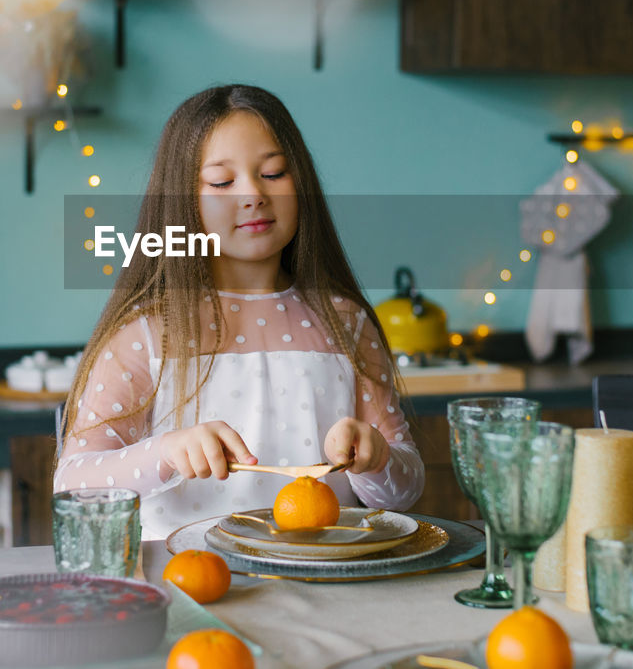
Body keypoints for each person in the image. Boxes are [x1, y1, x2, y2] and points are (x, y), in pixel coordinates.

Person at [54, 84, 424, 539]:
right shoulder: (147, 332)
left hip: (328, 593)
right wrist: (167, 453)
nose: (252, 194)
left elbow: (403, 493)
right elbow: (72, 483)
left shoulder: (347, 323)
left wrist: (379, 458)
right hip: (191, 591)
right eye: (222, 182)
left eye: (273, 173)